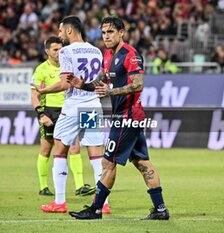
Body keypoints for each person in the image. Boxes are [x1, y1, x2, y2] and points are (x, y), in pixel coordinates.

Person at [67, 16, 170, 220]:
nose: (106, 36)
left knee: (108, 163)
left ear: (121, 32)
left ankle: (96, 209)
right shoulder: (107, 55)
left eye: (111, 32)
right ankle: (160, 210)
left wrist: (111, 92)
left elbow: (138, 84)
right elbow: (100, 81)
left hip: (128, 116)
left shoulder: (130, 54)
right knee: (143, 164)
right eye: (104, 32)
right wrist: (83, 85)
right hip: (127, 116)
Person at [32, 16, 110, 214]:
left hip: (73, 105)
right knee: (96, 155)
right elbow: (100, 80)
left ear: (69, 31)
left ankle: (59, 202)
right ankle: (104, 204)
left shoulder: (66, 51)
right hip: (93, 105)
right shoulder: (96, 50)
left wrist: (44, 91)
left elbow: (66, 84)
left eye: (60, 31)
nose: (59, 35)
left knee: (60, 150)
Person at [31, 36, 96, 197]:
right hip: (49, 111)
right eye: (55, 50)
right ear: (47, 51)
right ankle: (43, 186)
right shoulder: (41, 70)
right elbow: (34, 95)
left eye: (61, 49)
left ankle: (80, 186)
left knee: (75, 147)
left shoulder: (68, 66)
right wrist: (41, 114)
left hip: (67, 109)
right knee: (46, 149)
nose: (59, 52)